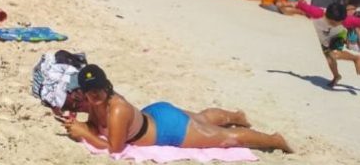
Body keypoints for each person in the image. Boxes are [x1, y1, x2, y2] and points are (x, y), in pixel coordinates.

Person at [58, 64, 292, 153]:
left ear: (107, 86)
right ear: (84, 92)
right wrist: (77, 125)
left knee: (226, 138)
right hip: (155, 114)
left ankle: (275, 140)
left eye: (98, 88)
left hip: (168, 129)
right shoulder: (94, 102)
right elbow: (94, 124)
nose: (95, 94)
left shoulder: (117, 108)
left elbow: (115, 148)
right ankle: (235, 115)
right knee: (201, 119)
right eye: (89, 91)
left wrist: (84, 132)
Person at [311, 3, 360, 88]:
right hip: (325, 38)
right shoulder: (318, 13)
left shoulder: (347, 20)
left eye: (336, 22)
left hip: (339, 33)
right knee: (329, 59)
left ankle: (356, 58)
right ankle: (336, 76)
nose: (333, 24)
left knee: (334, 54)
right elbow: (301, 6)